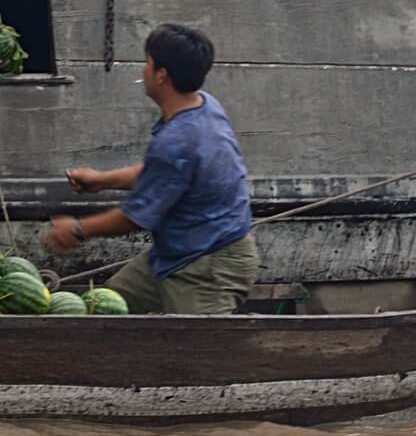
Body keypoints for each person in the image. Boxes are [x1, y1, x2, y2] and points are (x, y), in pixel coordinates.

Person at [40, 23, 258, 314]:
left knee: (203, 355)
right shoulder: (204, 105)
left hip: (209, 266)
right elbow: (165, 176)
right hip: (177, 253)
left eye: (148, 63)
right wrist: (101, 180)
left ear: (162, 76)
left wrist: (77, 230)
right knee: (103, 311)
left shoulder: (178, 140)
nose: (143, 70)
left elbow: (136, 216)